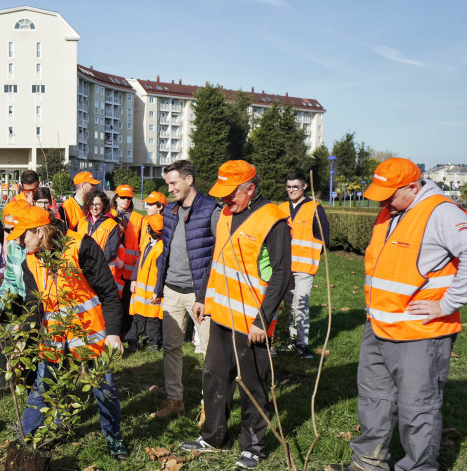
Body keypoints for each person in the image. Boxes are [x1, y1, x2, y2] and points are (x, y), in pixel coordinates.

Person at [336, 158, 466, 471]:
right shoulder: (391, 211)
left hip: (421, 333)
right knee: (373, 399)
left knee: (417, 407)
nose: (384, 201)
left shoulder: (441, 211)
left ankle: (419, 467)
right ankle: (369, 462)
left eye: (389, 195)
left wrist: (447, 305)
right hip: (379, 326)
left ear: (412, 186)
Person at [181, 160, 292, 470]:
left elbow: (282, 275)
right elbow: (217, 259)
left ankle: (253, 446)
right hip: (222, 316)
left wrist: (263, 318)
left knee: (253, 385)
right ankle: (214, 437)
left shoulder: (273, 221)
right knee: (214, 374)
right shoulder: (227, 214)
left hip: (252, 322)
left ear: (250, 189)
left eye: (231, 194)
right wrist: (203, 296)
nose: (225, 200)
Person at [10, 206, 127, 460]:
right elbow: (34, 304)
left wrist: (114, 333)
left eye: (23, 236)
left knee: (103, 388)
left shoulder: (81, 246)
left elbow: (108, 291)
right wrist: (23, 339)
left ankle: (114, 439)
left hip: (90, 334)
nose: (20, 241)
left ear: (40, 232)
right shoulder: (29, 260)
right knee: (44, 385)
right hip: (54, 336)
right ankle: (25, 434)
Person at [145, 160, 221, 419]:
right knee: (171, 347)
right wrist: (159, 286)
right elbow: (165, 252)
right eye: (168, 184)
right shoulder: (169, 212)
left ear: (189, 180)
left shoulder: (211, 210)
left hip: (200, 294)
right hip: (172, 291)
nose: (170, 189)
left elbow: (217, 255)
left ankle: (209, 405)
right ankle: (174, 400)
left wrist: (204, 294)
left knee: (210, 351)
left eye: (173, 183)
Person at [276, 170, 329, 359]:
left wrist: (313, 254)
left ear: (305, 186)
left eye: (295, 187)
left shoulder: (315, 208)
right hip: (283, 267)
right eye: (288, 187)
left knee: (301, 304)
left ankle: (301, 343)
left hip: (304, 268)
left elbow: (323, 238)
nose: (291, 190)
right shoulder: (281, 208)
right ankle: (289, 340)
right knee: (287, 306)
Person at [127, 214, 165, 352]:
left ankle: (153, 343)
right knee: (138, 318)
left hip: (151, 293)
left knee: (152, 319)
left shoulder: (160, 247)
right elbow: (139, 262)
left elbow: (161, 272)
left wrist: (157, 291)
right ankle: (133, 342)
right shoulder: (148, 242)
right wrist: (134, 279)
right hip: (141, 290)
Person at [76, 188, 120, 285]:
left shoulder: (111, 224)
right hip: (83, 272)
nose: (94, 208)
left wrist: (92, 265)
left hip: (103, 273)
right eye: (92, 204)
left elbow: (111, 252)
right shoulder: (82, 222)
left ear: (103, 205)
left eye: (98, 204)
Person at [112, 185, 143, 297]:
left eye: (129, 198)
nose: (126, 200)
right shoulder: (109, 215)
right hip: (112, 268)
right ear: (116, 198)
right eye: (123, 197)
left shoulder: (139, 218)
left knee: (126, 306)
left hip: (130, 269)